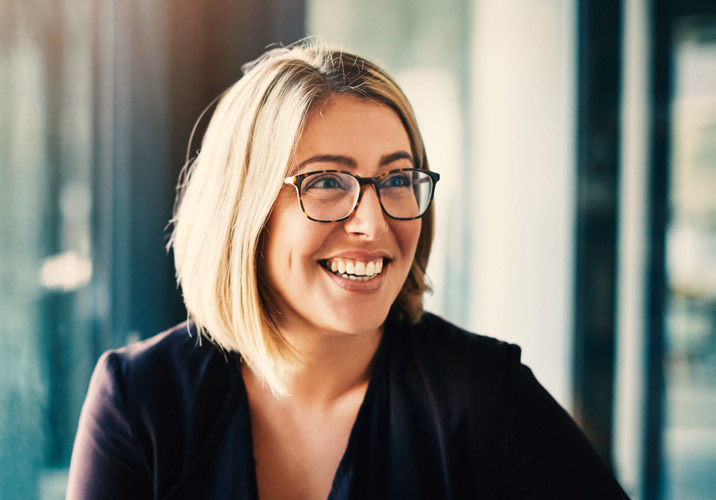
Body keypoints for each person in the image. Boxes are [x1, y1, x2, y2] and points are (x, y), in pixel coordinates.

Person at [67, 40, 630, 500]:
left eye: (396, 178)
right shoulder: (139, 400)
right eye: (328, 182)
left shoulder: (484, 395)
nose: (371, 223)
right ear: (244, 211)